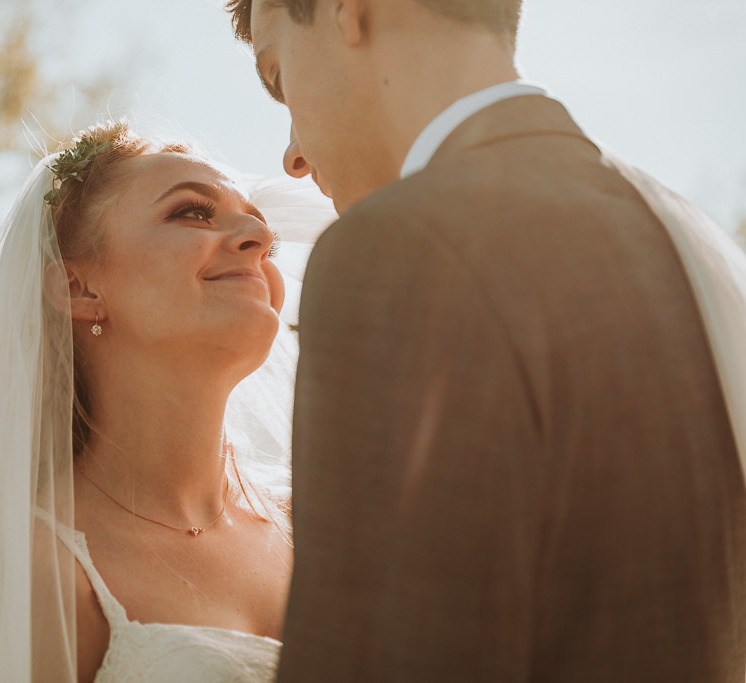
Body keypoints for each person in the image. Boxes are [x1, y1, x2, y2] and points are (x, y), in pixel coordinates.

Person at [227, 0, 746, 680]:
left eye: (277, 78)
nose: (292, 154)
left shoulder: (401, 248)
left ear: (348, 12)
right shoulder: (672, 229)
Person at [0, 121, 333, 682]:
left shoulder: (321, 526)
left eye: (259, 225)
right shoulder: (32, 564)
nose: (257, 234)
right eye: (191, 212)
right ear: (80, 289)